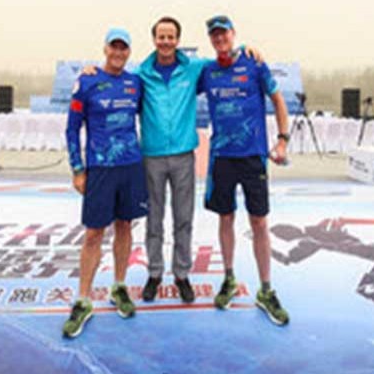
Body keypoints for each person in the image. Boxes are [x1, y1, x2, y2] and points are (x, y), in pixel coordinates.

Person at [84, 18, 262, 305]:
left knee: (184, 219)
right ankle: (154, 274)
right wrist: (92, 71)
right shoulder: (141, 74)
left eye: (171, 37)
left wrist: (244, 48)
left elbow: (223, 58)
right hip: (151, 156)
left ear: (178, 40)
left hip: (183, 156)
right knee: (154, 220)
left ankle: (181, 274)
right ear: (154, 39)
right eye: (161, 37)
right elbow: (115, 80)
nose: (166, 42)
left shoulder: (193, 69)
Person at [197, 15, 291, 326]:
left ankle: (266, 289)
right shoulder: (207, 71)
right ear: (211, 40)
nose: (220, 39)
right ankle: (228, 279)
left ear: (233, 35)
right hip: (222, 157)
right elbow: (174, 77)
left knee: (259, 222)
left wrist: (282, 140)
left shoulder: (254, 64)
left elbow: (278, 101)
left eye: (224, 34)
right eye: (215, 35)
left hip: (253, 156)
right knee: (226, 218)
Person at [62, 28, 147, 339]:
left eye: (124, 48)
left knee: (125, 227)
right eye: (114, 47)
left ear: (128, 52)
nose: (119, 53)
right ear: (105, 48)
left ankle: (119, 287)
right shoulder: (86, 82)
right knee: (94, 233)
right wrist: (77, 169)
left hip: (130, 165)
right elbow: (72, 129)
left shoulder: (134, 83)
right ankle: (83, 300)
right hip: (99, 169)